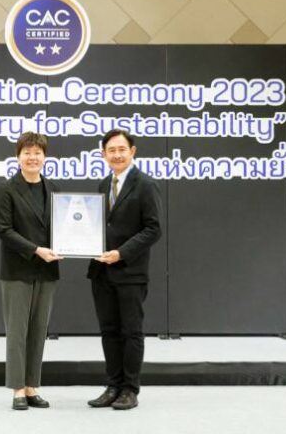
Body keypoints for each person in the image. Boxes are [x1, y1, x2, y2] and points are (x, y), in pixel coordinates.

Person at [87, 129, 162, 410]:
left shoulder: (146, 185)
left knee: (131, 332)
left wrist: (121, 253)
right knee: (109, 331)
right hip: (101, 271)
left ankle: (130, 389)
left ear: (132, 151)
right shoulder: (103, 184)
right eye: (111, 150)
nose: (116, 154)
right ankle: (113, 386)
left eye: (121, 149)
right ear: (103, 154)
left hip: (130, 271)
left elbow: (153, 229)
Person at [0, 132, 62, 410]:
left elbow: (63, 227)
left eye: (37, 153)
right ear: (18, 156)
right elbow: (5, 230)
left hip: (47, 271)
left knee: (38, 331)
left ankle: (32, 386)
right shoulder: (8, 189)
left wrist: (69, 244)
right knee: (17, 332)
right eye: (27, 152)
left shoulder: (53, 189)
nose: (32, 157)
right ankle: (18, 390)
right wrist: (36, 249)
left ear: (45, 157)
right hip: (17, 270)